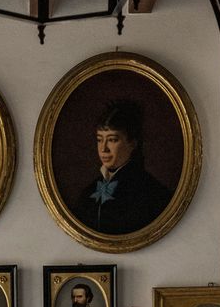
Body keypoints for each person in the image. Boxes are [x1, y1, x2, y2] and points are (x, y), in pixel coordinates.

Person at [71, 100, 173, 237]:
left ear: (132, 143)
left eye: (112, 140)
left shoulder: (152, 193)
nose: (104, 149)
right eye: (100, 140)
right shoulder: (89, 192)